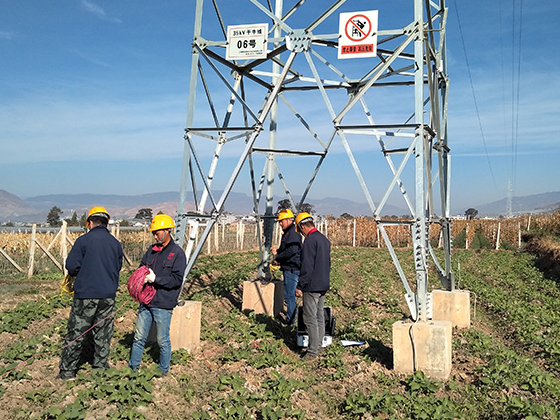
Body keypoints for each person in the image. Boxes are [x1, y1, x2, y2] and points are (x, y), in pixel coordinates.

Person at [58, 206, 123, 380]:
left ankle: (68, 372)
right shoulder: (116, 244)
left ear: (90, 223)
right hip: (107, 295)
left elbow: (71, 266)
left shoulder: (83, 241)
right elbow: (118, 267)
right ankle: (100, 368)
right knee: (103, 333)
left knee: (77, 333)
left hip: (86, 295)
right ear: (107, 224)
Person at [128, 214, 186, 377]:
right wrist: (142, 276)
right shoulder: (151, 251)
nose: (155, 235)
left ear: (167, 231)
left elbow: (176, 280)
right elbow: (141, 267)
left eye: (157, 232)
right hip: (146, 302)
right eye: (153, 233)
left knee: (162, 340)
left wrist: (156, 279)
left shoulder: (177, 253)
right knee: (139, 337)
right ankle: (133, 367)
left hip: (163, 303)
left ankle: (163, 369)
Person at [295, 212, 331, 359]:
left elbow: (307, 266)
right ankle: (318, 346)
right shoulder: (324, 239)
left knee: (310, 318)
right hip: (323, 283)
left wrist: (300, 285)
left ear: (303, 226)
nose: (301, 234)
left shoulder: (310, 241)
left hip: (311, 285)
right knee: (319, 316)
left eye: (300, 230)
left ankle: (312, 352)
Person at [271, 209, 302, 326]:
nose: (280, 223)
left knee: (289, 296)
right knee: (289, 295)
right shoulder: (289, 233)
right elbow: (287, 249)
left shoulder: (292, 233)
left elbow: (293, 250)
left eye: (282, 221)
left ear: (289, 220)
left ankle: (290, 322)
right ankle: (291, 319)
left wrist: (278, 258)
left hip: (291, 268)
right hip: (289, 267)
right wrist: (278, 251)